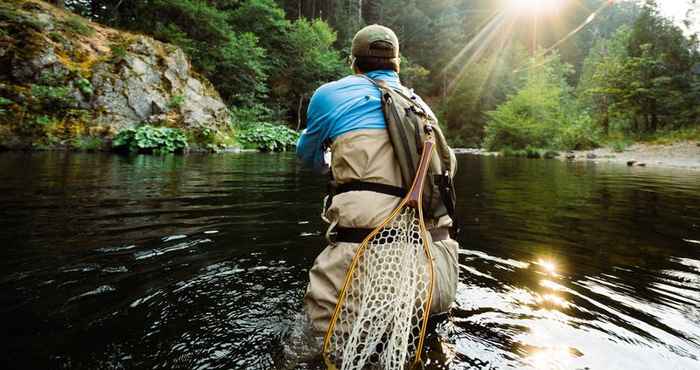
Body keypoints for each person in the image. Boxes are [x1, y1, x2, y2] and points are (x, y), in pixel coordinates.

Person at [296, 24, 459, 334]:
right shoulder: (422, 108)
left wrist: (329, 163)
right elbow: (449, 169)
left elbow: (307, 156)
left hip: (364, 267)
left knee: (311, 348)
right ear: (397, 65)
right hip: (438, 270)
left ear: (353, 63)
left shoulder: (330, 95)